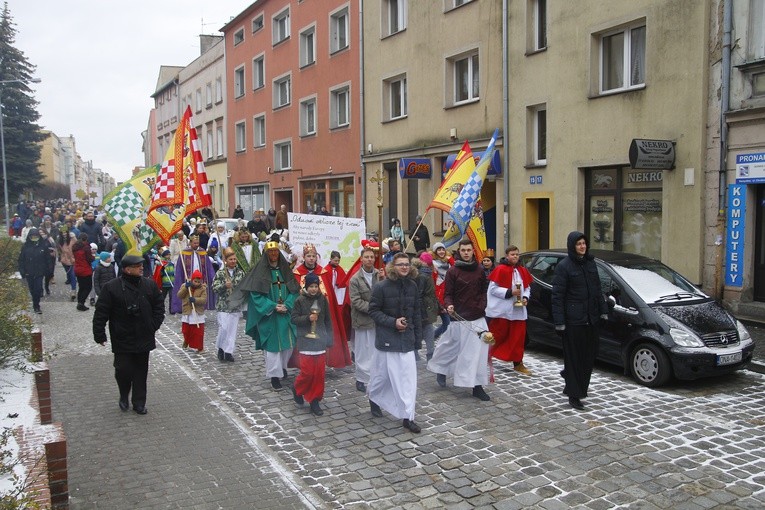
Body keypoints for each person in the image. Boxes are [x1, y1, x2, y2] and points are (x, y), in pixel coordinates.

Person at [93, 249, 165, 415]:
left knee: (141, 371)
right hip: (122, 336)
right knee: (123, 370)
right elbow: (101, 312)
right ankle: (124, 394)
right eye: (137, 266)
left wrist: (153, 324)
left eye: (141, 265)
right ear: (127, 269)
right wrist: (99, 334)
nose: (141, 268)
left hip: (143, 335)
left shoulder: (149, 285)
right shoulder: (111, 288)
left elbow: (159, 306)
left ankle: (139, 402)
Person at [427, 239, 491, 402]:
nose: (466, 253)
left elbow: (484, 290)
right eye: (463, 250)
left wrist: (482, 304)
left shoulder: (479, 270)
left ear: (472, 252)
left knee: (478, 353)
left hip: (477, 317)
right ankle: (441, 369)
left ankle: (477, 386)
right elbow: (448, 293)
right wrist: (449, 305)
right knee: (450, 347)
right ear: (459, 252)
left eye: (469, 250)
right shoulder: (453, 271)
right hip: (458, 318)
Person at [552, 231, 609, 411]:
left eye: (584, 243)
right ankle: (574, 395)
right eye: (578, 244)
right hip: (573, 320)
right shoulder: (564, 266)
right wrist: (560, 321)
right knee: (574, 358)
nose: (582, 247)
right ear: (572, 246)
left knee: (588, 357)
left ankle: (572, 378)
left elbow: (598, 289)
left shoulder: (591, 263)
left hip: (591, 319)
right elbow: (558, 296)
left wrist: (603, 311)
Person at [368, 252, 423, 433]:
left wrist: (417, 339)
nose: (404, 267)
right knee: (381, 377)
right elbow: (374, 311)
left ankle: (408, 417)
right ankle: (374, 397)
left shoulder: (413, 286)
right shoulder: (381, 287)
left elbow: (416, 313)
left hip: (406, 340)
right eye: (400, 264)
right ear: (393, 266)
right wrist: (393, 322)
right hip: (387, 340)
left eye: (407, 264)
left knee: (407, 380)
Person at [240, 235, 300, 389]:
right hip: (270, 315)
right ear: (266, 255)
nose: (273, 255)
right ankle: (274, 375)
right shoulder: (260, 273)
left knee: (288, 344)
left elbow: (294, 290)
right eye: (271, 253)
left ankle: (282, 367)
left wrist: (287, 304)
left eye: (276, 252)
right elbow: (256, 296)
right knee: (273, 347)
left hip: (286, 312)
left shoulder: (285, 272)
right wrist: (273, 306)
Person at [293, 244, 352, 368]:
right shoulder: (297, 274)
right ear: (304, 257)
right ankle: (305, 363)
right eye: (308, 256)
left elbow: (329, 292)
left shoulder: (322, 272)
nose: (311, 259)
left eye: (314, 256)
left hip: (323, 312)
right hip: (305, 314)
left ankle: (324, 361)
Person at [290, 272, 334, 416]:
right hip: (306, 342)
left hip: (320, 341)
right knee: (308, 372)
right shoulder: (300, 301)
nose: (314, 289)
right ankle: (297, 388)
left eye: (316, 286)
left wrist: (329, 338)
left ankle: (314, 400)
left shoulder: (322, 300)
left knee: (319, 374)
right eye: (311, 286)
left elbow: (327, 320)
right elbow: (294, 318)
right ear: (306, 286)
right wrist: (307, 318)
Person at [486, 246, 533, 375]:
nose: (515, 256)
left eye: (517, 254)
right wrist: (509, 292)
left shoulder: (522, 270)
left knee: (518, 338)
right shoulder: (500, 269)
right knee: (496, 336)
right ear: (507, 256)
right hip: (503, 312)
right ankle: (483, 355)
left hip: (518, 311)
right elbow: (493, 289)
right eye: (512, 254)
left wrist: (525, 298)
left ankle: (518, 363)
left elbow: (527, 288)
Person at [349, 246, 384, 393]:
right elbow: (356, 301)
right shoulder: (355, 279)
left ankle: (375, 376)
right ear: (362, 259)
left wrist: (384, 280)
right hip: (363, 320)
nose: (369, 259)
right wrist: (373, 309)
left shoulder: (379, 274)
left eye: (372, 257)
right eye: (367, 257)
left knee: (376, 350)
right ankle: (361, 378)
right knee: (363, 351)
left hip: (377, 321)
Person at [212, 248, 246, 362]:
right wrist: (224, 286)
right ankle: (221, 348)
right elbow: (214, 288)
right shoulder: (221, 273)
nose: (233, 261)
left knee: (232, 330)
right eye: (230, 259)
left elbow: (244, 288)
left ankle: (228, 352)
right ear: (225, 260)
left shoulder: (240, 273)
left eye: (234, 259)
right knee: (224, 328)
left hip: (235, 306)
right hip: (223, 306)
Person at [170, 234, 217, 314]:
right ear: (190, 242)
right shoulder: (184, 253)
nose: (196, 245)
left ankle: (200, 311)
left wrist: (212, 277)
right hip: (189, 278)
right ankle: (188, 311)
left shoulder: (202, 252)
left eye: (197, 243)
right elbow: (180, 268)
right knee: (189, 296)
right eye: (194, 243)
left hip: (201, 278)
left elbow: (208, 267)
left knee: (200, 295)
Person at [411, 257, 439, 361]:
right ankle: (424, 354)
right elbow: (419, 293)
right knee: (424, 330)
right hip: (425, 307)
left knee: (426, 330)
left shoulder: (425, 274)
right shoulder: (423, 275)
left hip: (427, 306)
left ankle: (426, 354)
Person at [18, 228, 49, 314]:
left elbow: (48, 259)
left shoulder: (43, 246)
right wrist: (22, 271)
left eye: (36, 236)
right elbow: (21, 260)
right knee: (32, 289)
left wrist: (48, 270)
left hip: (39, 272)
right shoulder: (25, 247)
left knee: (38, 289)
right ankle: (34, 301)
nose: (34, 237)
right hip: (29, 272)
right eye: (33, 236)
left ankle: (37, 305)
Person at [177, 270, 207, 352]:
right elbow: (179, 295)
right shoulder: (185, 285)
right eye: (195, 281)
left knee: (198, 332)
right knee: (186, 330)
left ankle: (199, 347)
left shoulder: (202, 288)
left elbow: (204, 300)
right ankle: (187, 340)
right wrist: (186, 288)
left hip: (197, 312)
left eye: (198, 281)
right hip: (187, 311)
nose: (197, 283)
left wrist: (195, 300)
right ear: (192, 279)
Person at [431, 242, 454, 339]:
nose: (441, 252)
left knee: (449, 322)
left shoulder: (449, 262)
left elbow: (456, 268)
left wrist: (451, 259)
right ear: (435, 252)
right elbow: (433, 279)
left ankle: (434, 336)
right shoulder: (433, 263)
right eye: (439, 250)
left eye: (443, 249)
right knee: (447, 322)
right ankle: (435, 336)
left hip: (449, 292)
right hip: (439, 294)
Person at [72, 233, 94, 311]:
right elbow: (90, 259)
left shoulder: (75, 247)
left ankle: (80, 302)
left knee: (81, 287)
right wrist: (93, 257)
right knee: (88, 287)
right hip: (85, 269)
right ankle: (81, 303)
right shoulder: (86, 248)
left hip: (78, 269)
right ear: (86, 239)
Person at [152, 248, 175, 314]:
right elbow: (159, 274)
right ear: (164, 256)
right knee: (162, 297)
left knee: (172, 297)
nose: (169, 256)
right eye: (167, 255)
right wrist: (162, 270)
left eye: (169, 255)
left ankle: (172, 310)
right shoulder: (162, 264)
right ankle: (160, 309)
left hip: (171, 283)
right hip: (164, 284)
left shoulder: (171, 263)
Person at [57, 228, 77, 301]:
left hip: (73, 260)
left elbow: (77, 247)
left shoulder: (73, 239)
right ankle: (70, 282)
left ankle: (73, 291)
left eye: (65, 232)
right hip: (64, 260)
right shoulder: (60, 241)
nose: (64, 234)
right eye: (63, 233)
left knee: (73, 275)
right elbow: (59, 250)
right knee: (68, 274)